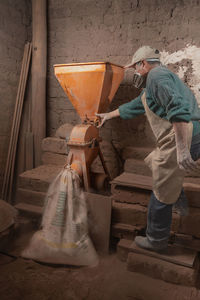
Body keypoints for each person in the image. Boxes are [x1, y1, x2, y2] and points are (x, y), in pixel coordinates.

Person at [96, 46, 200, 252]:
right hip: (194, 133)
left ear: (143, 63)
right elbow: (137, 104)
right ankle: (177, 196)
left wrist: (181, 150)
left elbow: (177, 110)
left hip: (185, 134)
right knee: (156, 161)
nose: (135, 73)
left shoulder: (156, 76)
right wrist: (108, 115)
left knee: (161, 188)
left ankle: (156, 239)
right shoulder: (159, 80)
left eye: (135, 67)